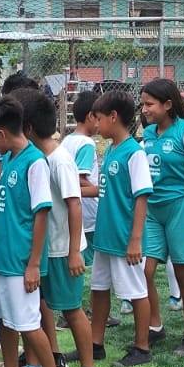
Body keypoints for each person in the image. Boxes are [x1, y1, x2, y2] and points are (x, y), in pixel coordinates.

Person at [0, 96, 69, 367]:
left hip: (20, 262)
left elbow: (41, 213)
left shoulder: (34, 163)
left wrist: (33, 264)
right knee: (7, 323)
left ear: (1, 134)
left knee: (29, 324)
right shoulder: (11, 160)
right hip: (1, 259)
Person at [15, 88, 100, 367]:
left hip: (64, 250)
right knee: (39, 307)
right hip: (47, 250)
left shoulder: (60, 160)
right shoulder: (37, 158)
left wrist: (75, 251)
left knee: (72, 309)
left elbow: (74, 204)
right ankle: (38, 365)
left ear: (26, 128)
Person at [139, 78, 184, 357]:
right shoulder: (148, 133)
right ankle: (155, 326)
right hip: (153, 209)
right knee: (144, 271)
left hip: (181, 207)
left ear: (168, 104)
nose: (144, 109)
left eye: (150, 104)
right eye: (143, 104)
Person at [87, 91, 154, 367]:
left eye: (99, 119)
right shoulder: (111, 150)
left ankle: (142, 347)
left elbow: (142, 196)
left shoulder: (134, 153)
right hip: (105, 237)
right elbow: (107, 190)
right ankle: (95, 344)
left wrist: (135, 239)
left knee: (136, 291)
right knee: (98, 288)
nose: (96, 124)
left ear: (113, 117)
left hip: (124, 238)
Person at [60, 89, 102, 263]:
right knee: (91, 261)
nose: (100, 123)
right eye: (99, 118)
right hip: (89, 213)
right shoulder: (87, 143)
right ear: (90, 116)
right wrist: (98, 191)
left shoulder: (67, 140)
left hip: (74, 212)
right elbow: (79, 178)